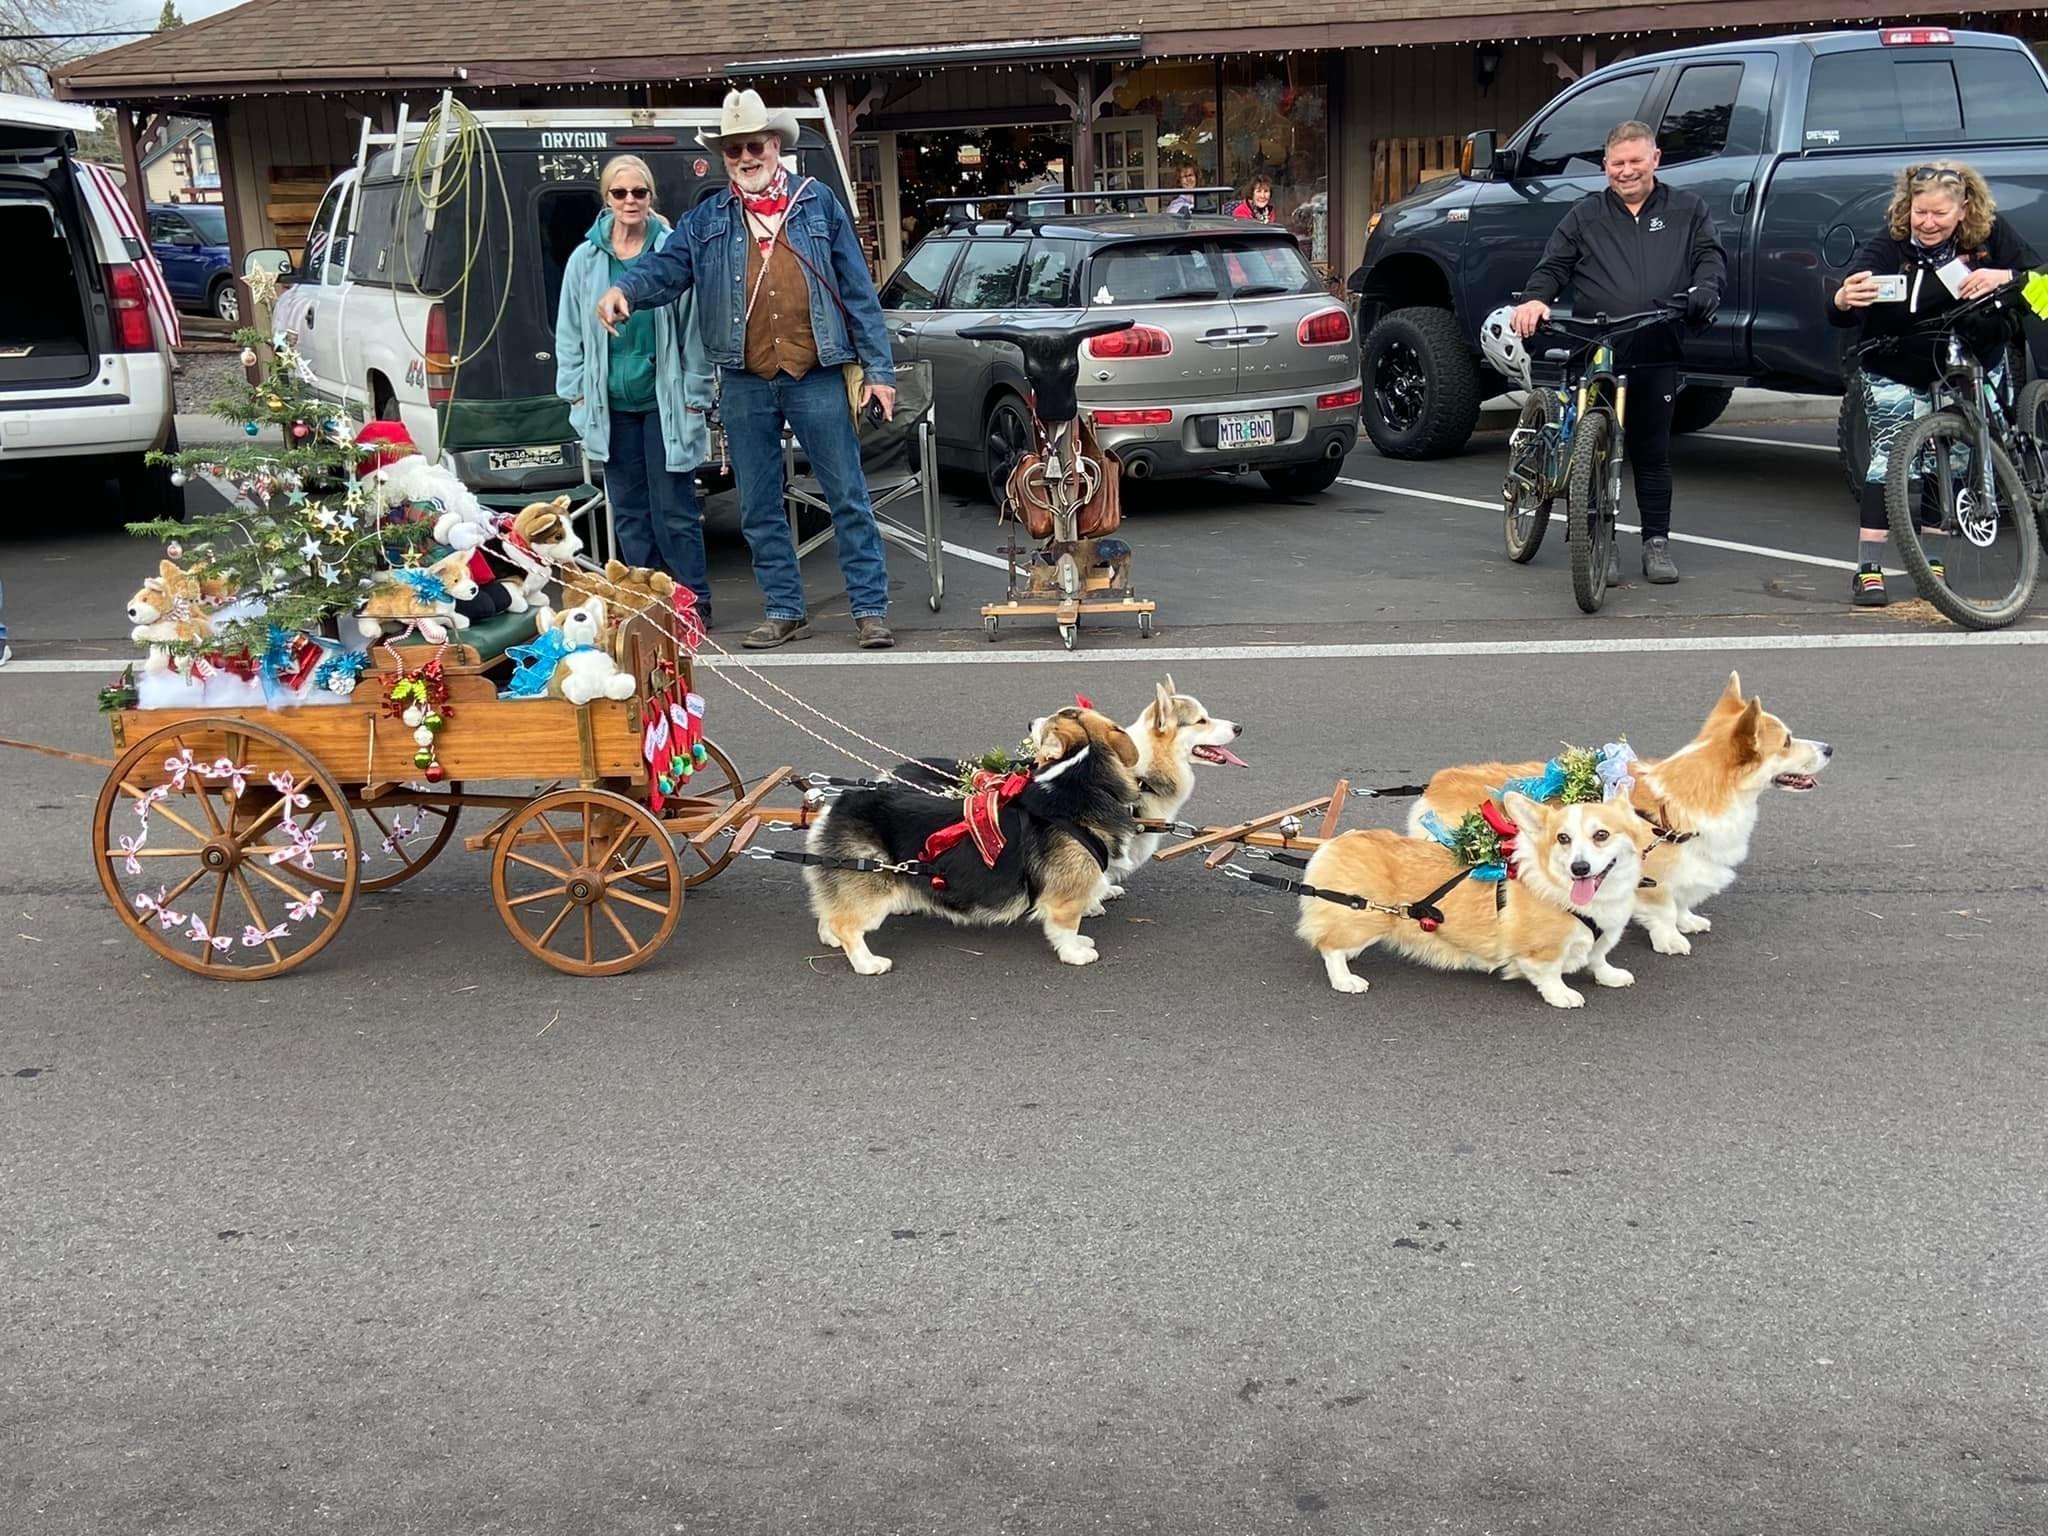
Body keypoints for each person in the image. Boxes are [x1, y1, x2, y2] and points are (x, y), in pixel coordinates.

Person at [597, 90, 897, 650]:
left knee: (848, 496)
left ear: (775, 145)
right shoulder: (708, 217)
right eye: (734, 150)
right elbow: (666, 269)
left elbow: (858, 290)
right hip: (743, 379)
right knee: (758, 505)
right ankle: (785, 609)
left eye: (753, 145)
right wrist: (624, 289)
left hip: (817, 373)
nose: (745, 157)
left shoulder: (817, 203)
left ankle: (869, 610)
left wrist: (879, 370)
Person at [1511, 120, 1724, 585]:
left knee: (1651, 451)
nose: (1626, 171)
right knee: (1595, 448)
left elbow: (1710, 257)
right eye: (1617, 163)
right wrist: (1534, 299)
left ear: (1655, 160)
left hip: (1657, 343)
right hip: (1599, 347)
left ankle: (1655, 543)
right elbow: (1553, 266)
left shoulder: (1688, 209)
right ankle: (1595, 541)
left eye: (1635, 161)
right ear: (1605, 166)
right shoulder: (1585, 215)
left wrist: (1706, 288)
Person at [1829, 159, 2037, 606]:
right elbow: (1842, 299)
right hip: (1898, 362)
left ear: (1964, 209)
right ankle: (1868, 569)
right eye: (1918, 212)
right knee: (1889, 460)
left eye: (1939, 214)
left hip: (1972, 357)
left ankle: (1935, 565)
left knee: (1955, 460)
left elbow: (2041, 284)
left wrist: (2010, 278)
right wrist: (1843, 298)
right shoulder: (1891, 244)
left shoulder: (1991, 236)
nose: (1927, 223)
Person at [555, 155, 717, 623]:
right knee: (627, 511)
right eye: (620, 193)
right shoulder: (584, 260)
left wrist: (695, 395)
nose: (630, 201)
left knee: (675, 509)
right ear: (606, 199)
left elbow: (694, 332)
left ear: (651, 197)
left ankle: (692, 602)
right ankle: (642, 601)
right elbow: (568, 331)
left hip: (663, 400)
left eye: (639, 193)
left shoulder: (669, 253)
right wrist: (576, 394)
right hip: (609, 403)